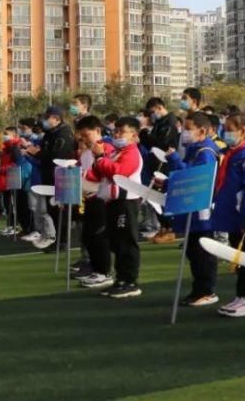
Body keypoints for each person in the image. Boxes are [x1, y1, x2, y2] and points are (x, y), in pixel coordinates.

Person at [162, 112, 223, 305]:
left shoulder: (205, 152)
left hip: (201, 208)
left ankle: (207, 290)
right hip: (192, 207)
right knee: (193, 251)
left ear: (202, 131)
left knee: (201, 251)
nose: (184, 133)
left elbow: (195, 178)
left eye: (188, 129)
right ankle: (199, 289)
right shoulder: (195, 149)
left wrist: (174, 161)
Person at [209, 113, 245, 317]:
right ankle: (242, 295)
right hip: (233, 214)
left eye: (229, 129)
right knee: (239, 256)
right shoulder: (232, 152)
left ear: (242, 131)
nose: (225, 132)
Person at [92, 117, 145, 298]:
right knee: (116, 241)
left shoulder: (132, 152)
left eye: (121, 132)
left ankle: (130, 281)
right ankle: (121, 279)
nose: (117, 135)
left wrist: (100, 158)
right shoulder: (116, 152)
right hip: (113, 202)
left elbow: (119, 172)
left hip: (126, 202)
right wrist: (98, 159)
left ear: (134, 135)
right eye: (115, 131)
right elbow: (100, 171)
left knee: (126, 242)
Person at [75, 116, 115, 290]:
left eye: (86, 135)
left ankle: (104, 272)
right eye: (81, 136)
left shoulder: (106, 149)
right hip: (88, 197)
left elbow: (104, 172)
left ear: (98, 131)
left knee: (99, 236)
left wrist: (86, 176)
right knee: (88, 236)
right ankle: (96, 269)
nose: (84, 139)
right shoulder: (85, 153)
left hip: (101, 197)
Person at [34, 106, 75, 249]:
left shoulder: (63, 134)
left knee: (60, 210)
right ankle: (58, 238)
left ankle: (63, 240)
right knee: (52, 209)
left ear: (56, 118)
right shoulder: (49, 134)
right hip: (48, 174)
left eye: (47, 118)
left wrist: (38, 154)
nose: (44, 121)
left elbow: (58, 156)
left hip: (59, 175)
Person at [141, 97, 180, 244]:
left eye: (152, 112)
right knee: (156, 198)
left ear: (159, 108)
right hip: (155, 164)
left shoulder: (169, 123)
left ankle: (170, 228)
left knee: (162, 198)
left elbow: (161, 145)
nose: (151, 115)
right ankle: (164, 227)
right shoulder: (160, 123)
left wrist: (144, 135)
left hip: (164, 165)